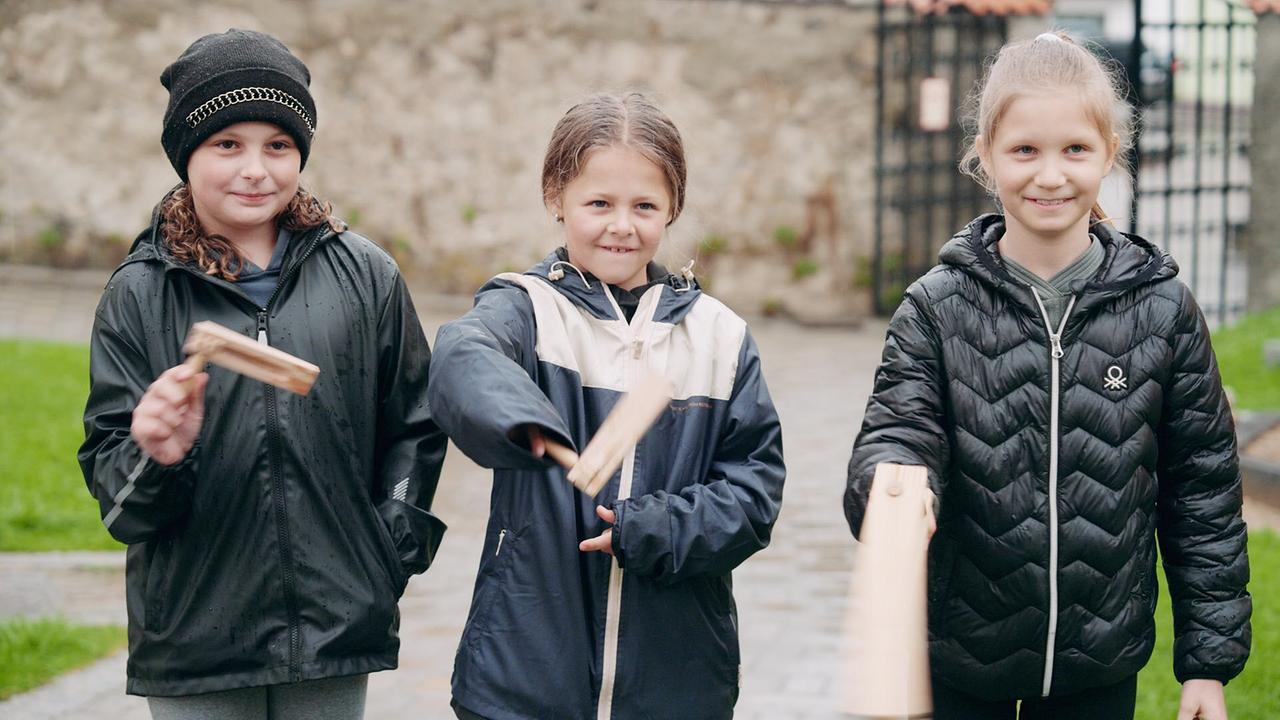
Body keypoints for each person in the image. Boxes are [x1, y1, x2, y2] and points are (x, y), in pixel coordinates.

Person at [844, 32, 1250, 720]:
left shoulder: (1163, 309)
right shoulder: (935, 308)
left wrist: (1206, 665)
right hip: (962, 650)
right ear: (987, 158)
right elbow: (897, 432)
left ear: (1108, 156)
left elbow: (1202, 492)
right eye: (1025, 150)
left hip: (1100, 655)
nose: (1050, 174)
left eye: (1075, 150)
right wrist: (891, 487)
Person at [78, 28, 447, 719]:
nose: (256, 169)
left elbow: (416, 424)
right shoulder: (138, 293)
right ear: (187, 153)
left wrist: (384, 552)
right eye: (227, 144)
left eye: (278, 145)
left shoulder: (365, 277)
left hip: (336, 630)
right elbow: (120, 502)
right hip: (195, 643)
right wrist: (155, 453)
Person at [428, 92, 786, 720]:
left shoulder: (718, 336)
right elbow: (462, 355)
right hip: (525, 674)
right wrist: (526, 416)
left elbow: (754, 494)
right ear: (554, 200)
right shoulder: (527, 309)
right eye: (599, 204)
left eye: (644, 206)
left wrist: (651, 528)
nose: (622, 225)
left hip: (677, 684)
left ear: (671, 209)